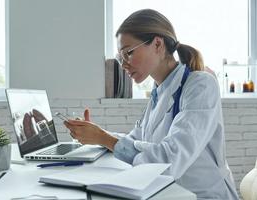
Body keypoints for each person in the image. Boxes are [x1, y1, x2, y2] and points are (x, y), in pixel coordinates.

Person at [64, 9, 239, 199]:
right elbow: (135, 140)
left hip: (203, 195)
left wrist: (105, 138)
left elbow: (169, 159)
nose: (123, 64)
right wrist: (96, 134)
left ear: (157, 44)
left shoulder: (200, 85)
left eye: (128, 53)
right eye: (120, 57)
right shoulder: (159, 92)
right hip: (167, 192)